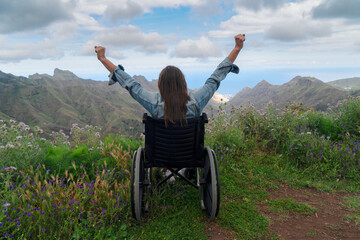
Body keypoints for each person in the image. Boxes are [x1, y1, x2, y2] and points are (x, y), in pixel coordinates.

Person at [94, 33, 245, 125]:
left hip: (161, 154)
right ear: (183, 83)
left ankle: (166, 170)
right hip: (190, 153)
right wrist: (237, 48)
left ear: (161, 85)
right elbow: (215, 79)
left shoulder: (153, 102)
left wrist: (102, 58)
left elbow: (130, 84)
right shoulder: (197, 101)